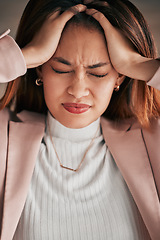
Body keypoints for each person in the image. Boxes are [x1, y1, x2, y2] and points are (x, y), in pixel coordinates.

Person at [0, 0, 160, 239]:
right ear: (39, 69)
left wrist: (136, 64)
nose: (78, 90)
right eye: (61, 69)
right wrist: (24, 55)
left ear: (119, 78)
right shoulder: (5, 136)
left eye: (98, 72)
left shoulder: (151, 138)